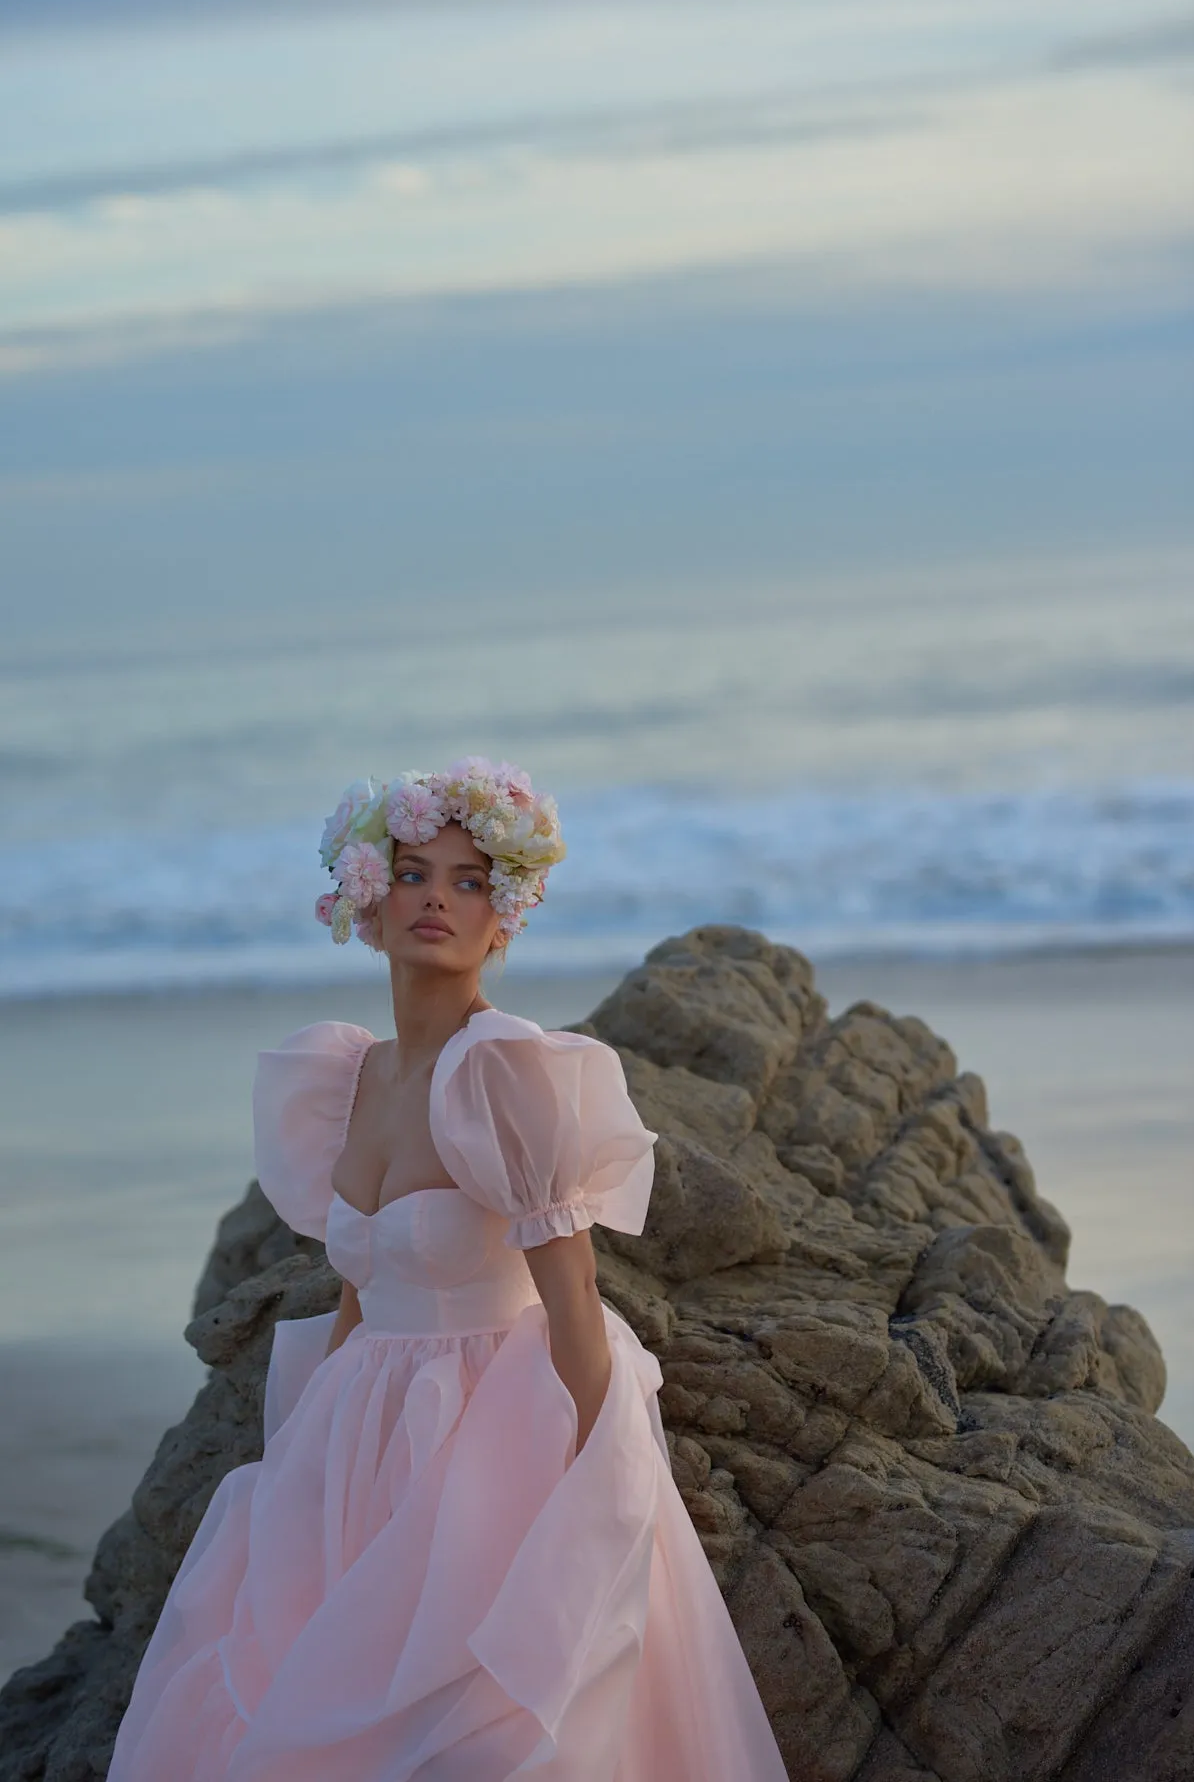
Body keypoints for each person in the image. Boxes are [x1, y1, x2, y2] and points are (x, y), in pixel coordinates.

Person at [107, 757, 790, 1780]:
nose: (437, 898)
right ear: (365, 908)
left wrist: (595, 1485)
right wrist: (301, 1451)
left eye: (470, 881)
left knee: (470, 1726)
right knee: (286, 1680)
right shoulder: (347, 1076)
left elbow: (574, 1297)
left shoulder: (502, 1068)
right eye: (413, 874)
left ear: (504, 919)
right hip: (359, 1427)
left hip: (489, 1427)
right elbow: (357, 1279)